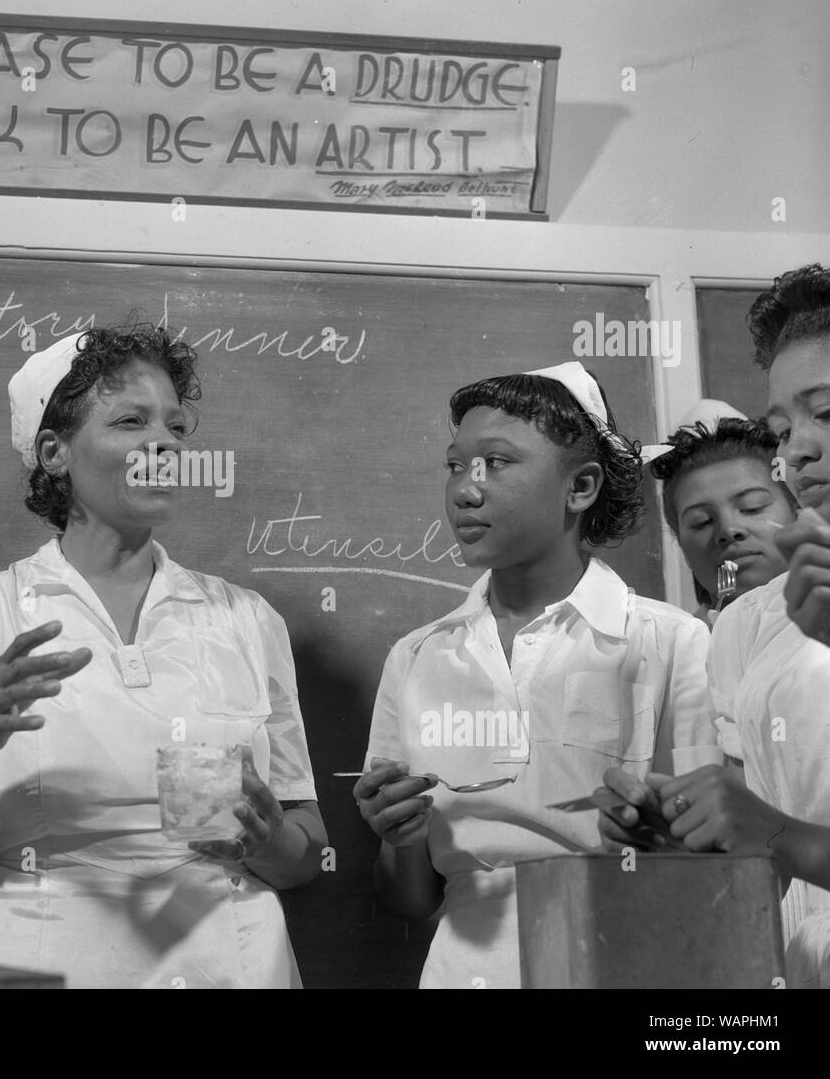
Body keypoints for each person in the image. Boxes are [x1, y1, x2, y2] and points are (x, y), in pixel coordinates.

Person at [0, 323, 325, 988]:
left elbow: (308, 851)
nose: (165, 444)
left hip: (228, 963)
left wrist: (271, 842)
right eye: (130, 420)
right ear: (55, 452)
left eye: (176, 427)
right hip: (35, 960)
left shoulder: (245, 619)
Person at [355, 361, 721, 988]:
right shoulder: (419, 658)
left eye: (496, 463)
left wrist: (656, 837)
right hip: (463, 970)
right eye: (454, 465)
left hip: (621, 962)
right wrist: (401, 837)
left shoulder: (668, 642)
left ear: (580, 487)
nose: (465, 490)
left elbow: (713, 857)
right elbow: (410, 898)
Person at [602, 264, 830, 987]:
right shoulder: (750, 624)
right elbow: (762, 845)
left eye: (828, 411)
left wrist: (780, 834)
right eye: (784, 428)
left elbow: (782, 833)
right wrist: (692, 837)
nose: (799, 448)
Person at [646, 400, 795, 625]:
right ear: (680, 542)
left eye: (752, 507)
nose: (727, 529)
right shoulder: (679, 652)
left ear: (797, 509)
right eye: (701, 522)